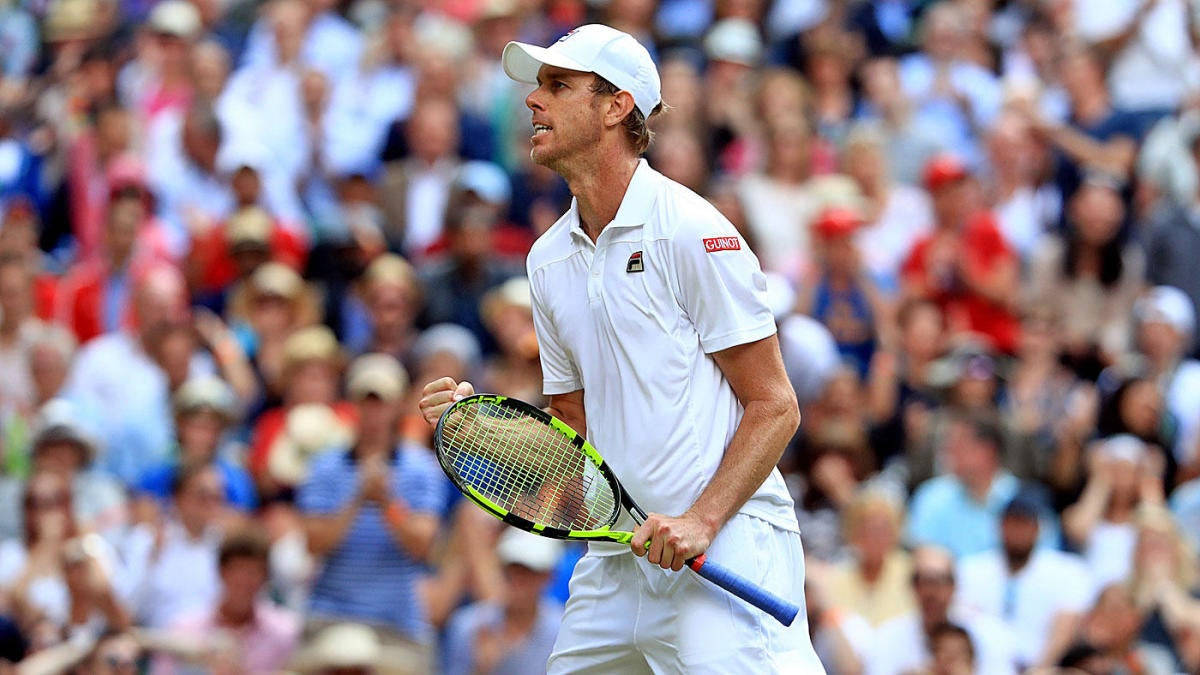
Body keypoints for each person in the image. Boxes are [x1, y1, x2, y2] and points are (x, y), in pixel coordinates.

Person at [420, 24, 822, 672]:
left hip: (724, 547)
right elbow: (571, 436)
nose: (533, 100)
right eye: (538, 86)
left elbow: (776, 404)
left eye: (558, 85)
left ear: (616, 106)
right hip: (614, 563)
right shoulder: (546, 260)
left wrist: (700, 520)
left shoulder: (691, 231)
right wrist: (476, 425)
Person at [298, 352, 443, 665]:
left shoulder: (422, 468)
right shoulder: (324, 466)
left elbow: (423, 546)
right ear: (353, 404)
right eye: (367, 401)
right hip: (330, 616)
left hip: (396, 622)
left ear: (398, 405)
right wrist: (357, 500)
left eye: (382, 401)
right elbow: (313, 544)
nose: (374, 411)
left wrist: (387, 504)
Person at [955, 492, 1094, 669]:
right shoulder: (969, 569)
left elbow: (1065, 630)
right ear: (1000, 525)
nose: (1017, 532)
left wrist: (1039, 669)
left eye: (1025, 524)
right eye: (1012, 523)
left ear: (1038, 528)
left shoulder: (1067, 571)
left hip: (1042, 669)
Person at [157, 528, 300, 673]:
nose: (244, 581)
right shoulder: (184, 630)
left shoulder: (284, 633)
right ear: (221, 571)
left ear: (265, 577)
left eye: (253, 572)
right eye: (237, 570)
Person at [866, 546, 1016, 675]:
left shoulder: (987, 634)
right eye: (923, 582)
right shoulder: (888, 636)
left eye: (940, 582)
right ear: (912, 587)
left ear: (954, 586)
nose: (931, 592)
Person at [442, 529, 565, 675]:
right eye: (513, 569)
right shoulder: (466, 626)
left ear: (548, 576)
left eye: (530, 572)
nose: (518, 580)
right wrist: (481, 669)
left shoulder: (562, 632)